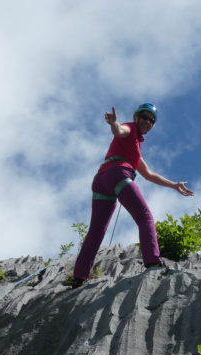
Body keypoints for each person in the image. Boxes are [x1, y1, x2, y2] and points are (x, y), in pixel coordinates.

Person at [72, 103, 194, 288]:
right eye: (145, 117)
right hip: (118, 174)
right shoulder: (129, 128)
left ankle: (78, 277)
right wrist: (114, 123)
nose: (148, 122)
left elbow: (149, 175)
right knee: (145, 217)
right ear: (136, 117)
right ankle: (152, 261)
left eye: (152, 120)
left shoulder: (135, 149)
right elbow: (119, 131)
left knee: (96, 231)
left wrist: (173, 185)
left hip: (101, 181)